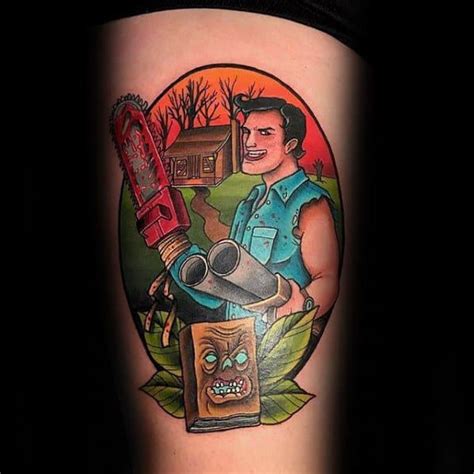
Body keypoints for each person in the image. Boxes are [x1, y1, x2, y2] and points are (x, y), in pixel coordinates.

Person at [169, 94, 340, 335]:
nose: (249, 142)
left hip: (280, 343)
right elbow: (224, 289)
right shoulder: (250, 202)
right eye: (246, 132)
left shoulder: (310, 203)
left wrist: (301, 306)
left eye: (265, 133)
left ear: (290, 144)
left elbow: (328, 279)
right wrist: (173, 249)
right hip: (236, 343)